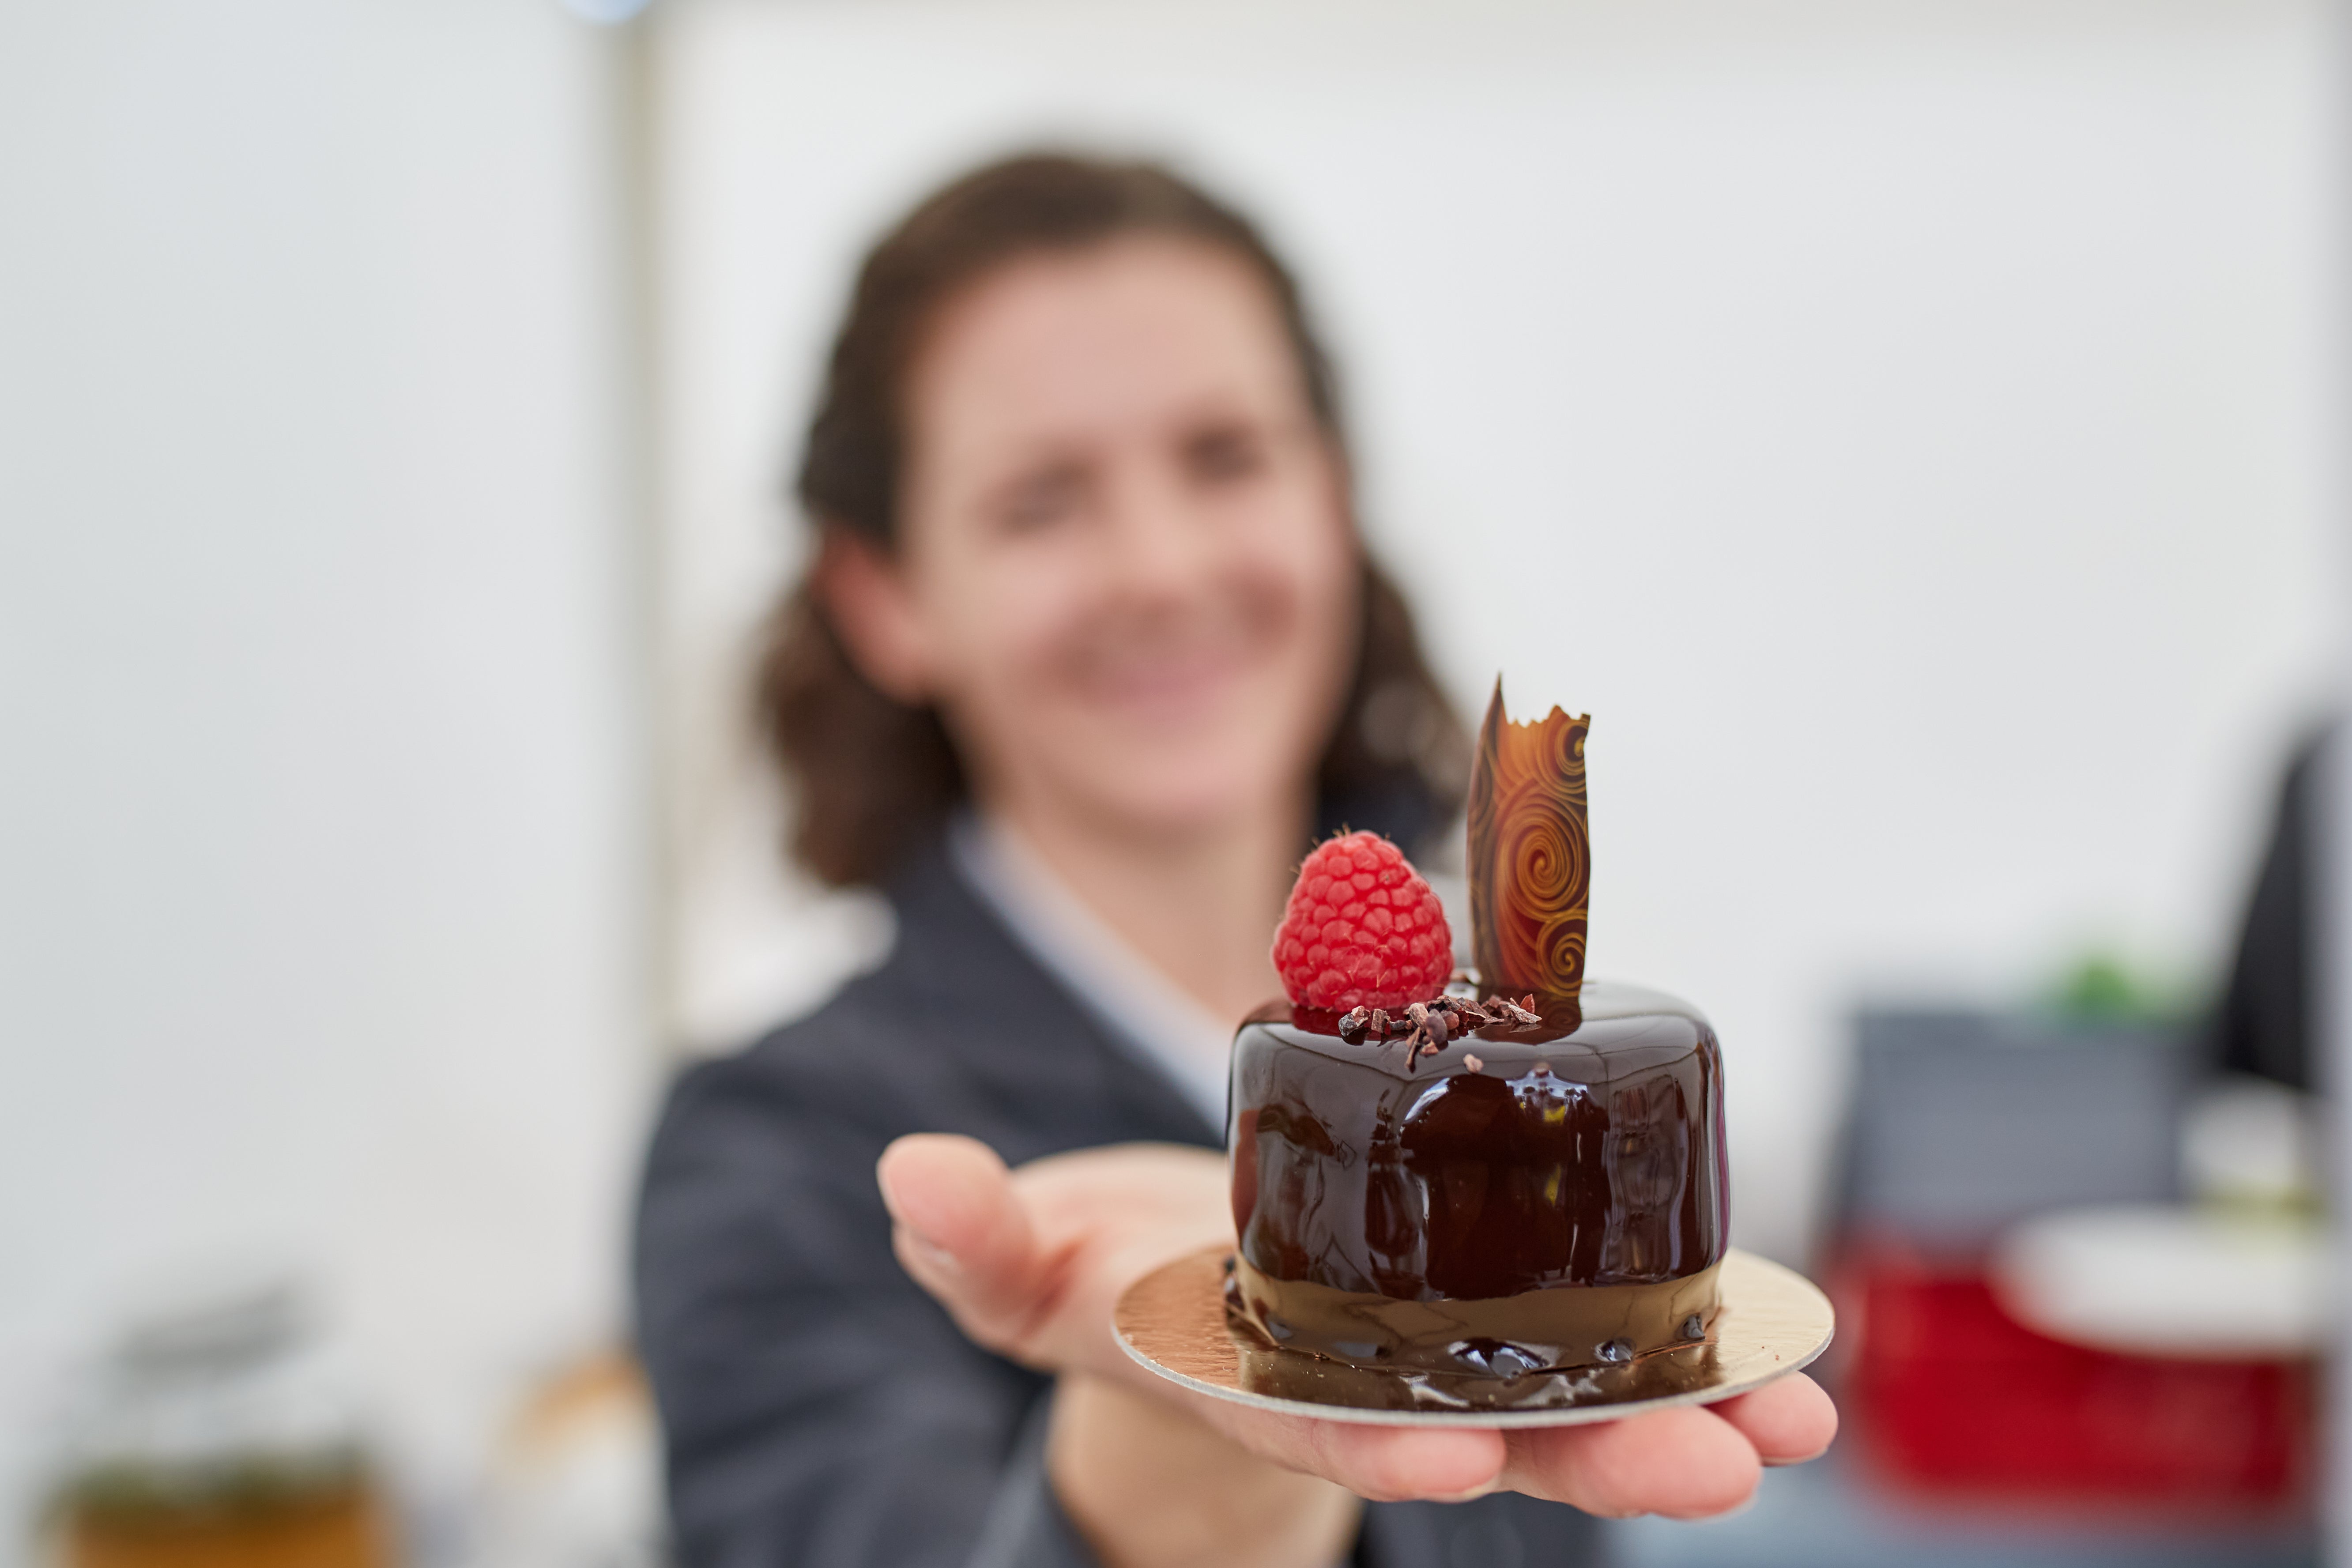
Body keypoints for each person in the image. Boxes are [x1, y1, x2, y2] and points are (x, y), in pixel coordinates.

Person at [633, 153, 1835, 1568]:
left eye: (1226, 457)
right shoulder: (778, 1151)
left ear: (1334, 496)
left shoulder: (1523, 1083)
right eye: (1040, 501)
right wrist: (1175, 1430)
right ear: (885, 597)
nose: (1159, 563)